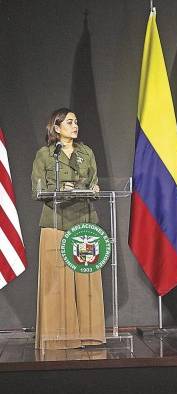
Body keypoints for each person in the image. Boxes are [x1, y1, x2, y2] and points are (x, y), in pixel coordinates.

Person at [31, 108, 105, 350]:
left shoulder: (87, 153)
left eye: (76, 121)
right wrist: (64, 188)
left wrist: (91, 188)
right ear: (56, 127)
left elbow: (94, 183)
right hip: (56, 221)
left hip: (85, 221)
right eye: (70, 122)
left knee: (87, 283)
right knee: (56, 283)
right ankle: (58, 338)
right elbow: (37, 190)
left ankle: (90, 336)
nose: (75, 126)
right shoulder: (45, 155)